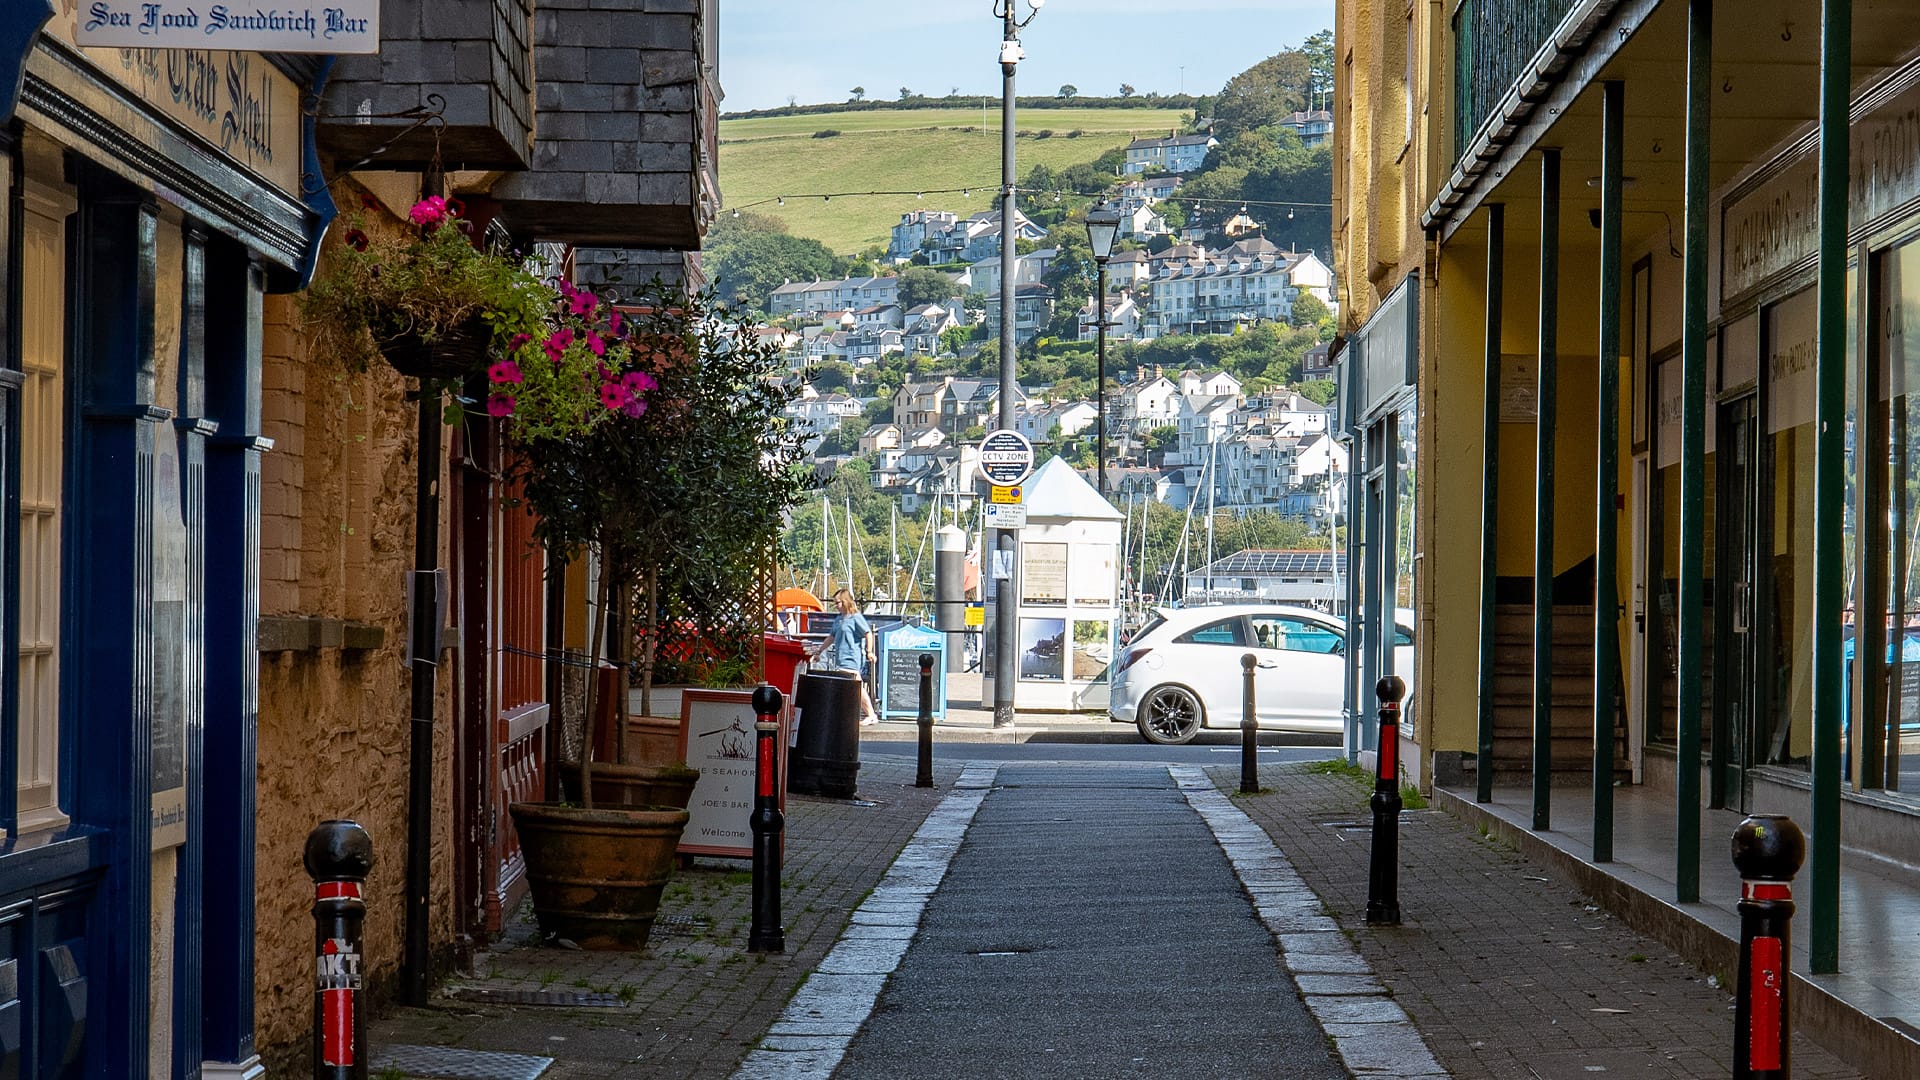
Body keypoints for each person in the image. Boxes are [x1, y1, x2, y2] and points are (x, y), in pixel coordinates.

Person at [818, 587, 880, 725]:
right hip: (841, 657)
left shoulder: (855, 618)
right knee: (850, 686)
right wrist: (819, 651)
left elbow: (868, 633)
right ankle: (849, 714)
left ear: (846, 602)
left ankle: (870, 714)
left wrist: (869, 651)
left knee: (856, 685)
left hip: (852, 657)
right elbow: (831, 637)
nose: (836, 606)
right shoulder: (839, 619)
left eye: (838, 602)